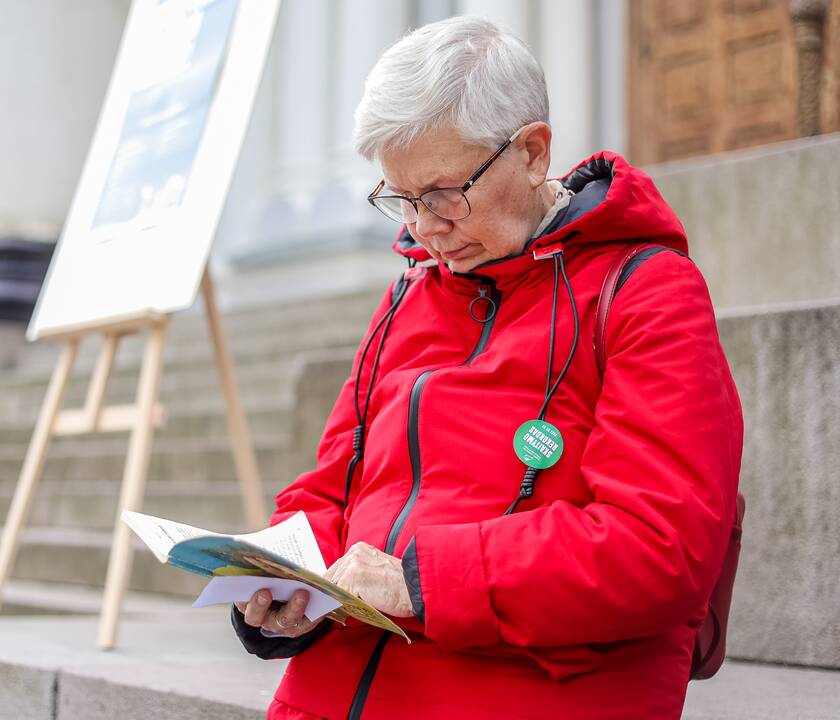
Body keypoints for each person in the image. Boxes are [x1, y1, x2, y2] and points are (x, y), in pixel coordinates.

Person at [230, 15, 743, 720]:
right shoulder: (410, 291)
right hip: (330, 693)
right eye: (400, 200)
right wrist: (283, 581)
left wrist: (418, 581)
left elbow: (658, 547)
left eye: (442, 194)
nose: (421, 228)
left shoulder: (645, 290)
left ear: (532, 153)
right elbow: (329, 491)